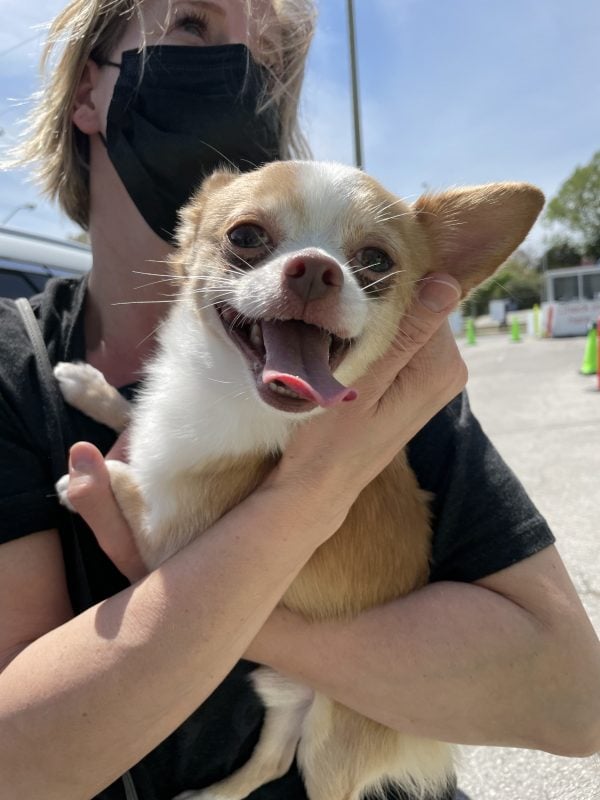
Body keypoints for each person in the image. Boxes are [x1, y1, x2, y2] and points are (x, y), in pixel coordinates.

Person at [0, 1, 599, 799]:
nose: (246, 72)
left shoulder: (400, 381)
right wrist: (312, 493)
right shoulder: (18, 368)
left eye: (275, 60)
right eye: (193, 25)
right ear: (86, 90)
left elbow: (571, 704)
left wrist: (182, 563)